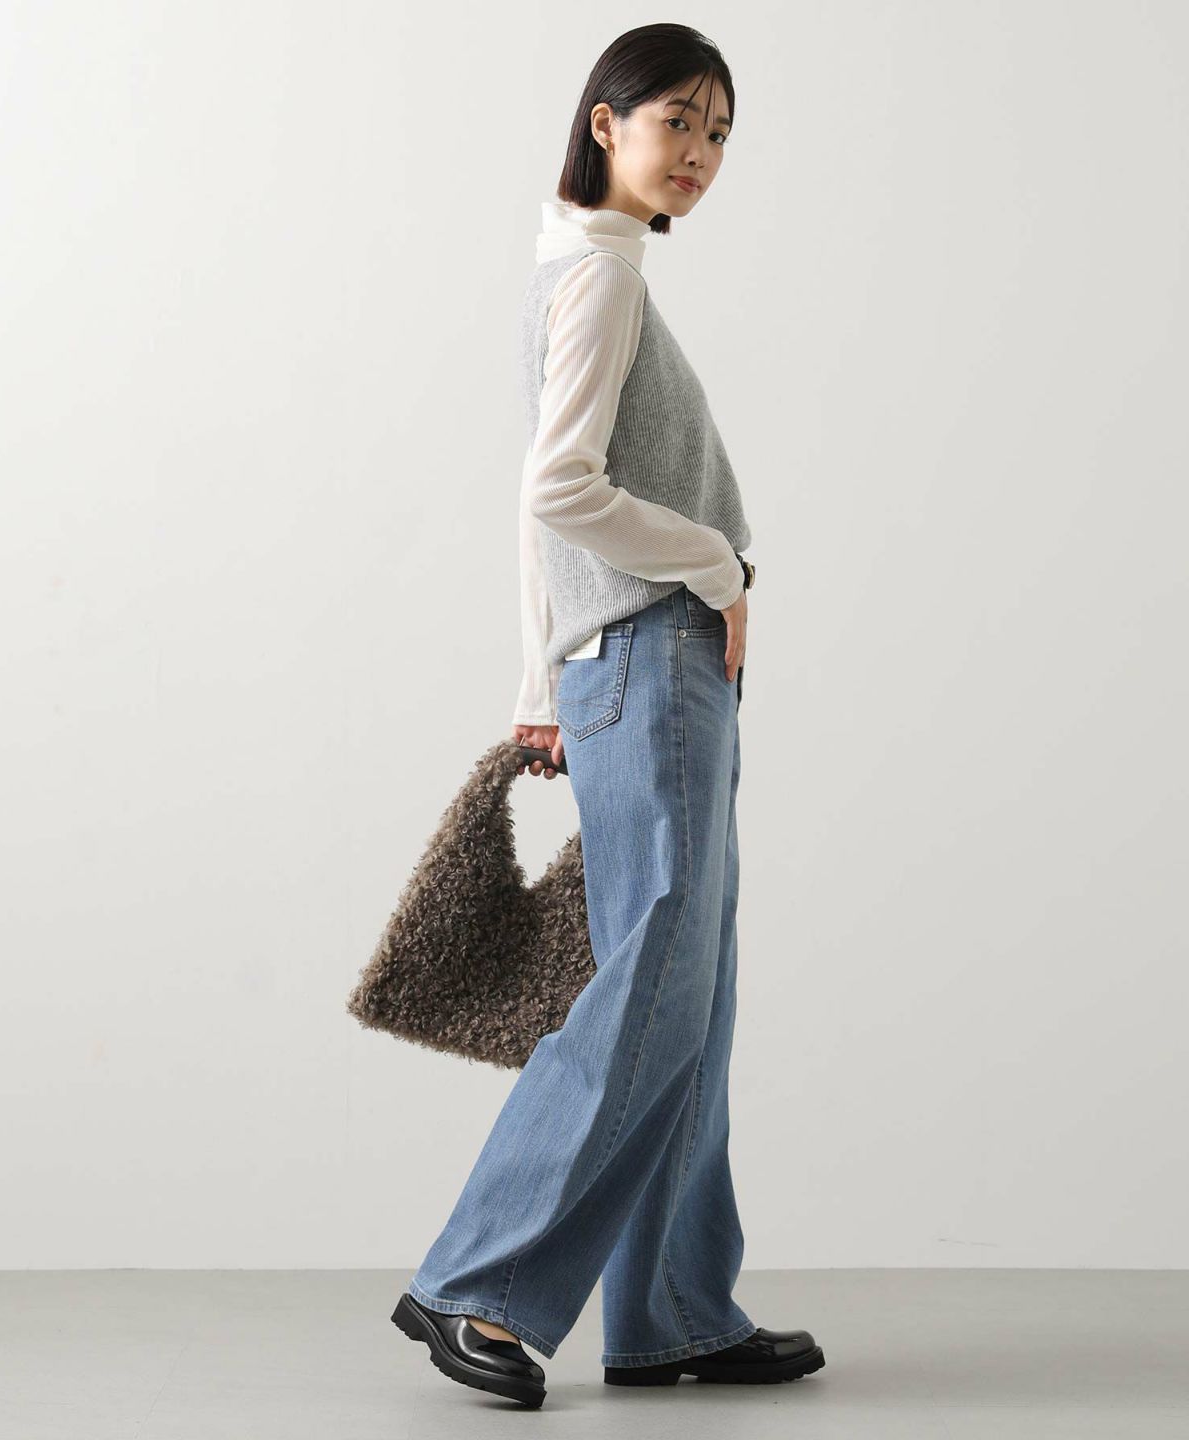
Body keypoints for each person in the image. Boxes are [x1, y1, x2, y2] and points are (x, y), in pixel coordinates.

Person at [391, 23, 825, 1408]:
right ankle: (479, 1283)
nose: (698, 153)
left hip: (635, 664)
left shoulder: (587, 266)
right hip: (652, 652)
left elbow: (542, 505)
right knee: (655, 983)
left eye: (718, 133)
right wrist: (718, 564)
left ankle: (674, 1310)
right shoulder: (600, 276)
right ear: (605, 122)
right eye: (676, 121)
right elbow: (559, 491)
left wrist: (540, 685)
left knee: (693, 990)